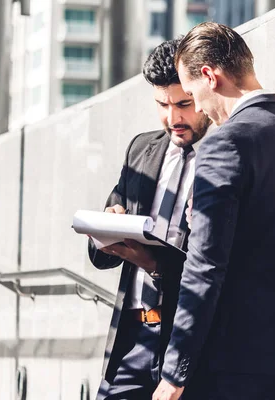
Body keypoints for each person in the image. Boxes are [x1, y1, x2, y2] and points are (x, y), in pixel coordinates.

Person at [152, 22, 275, 400]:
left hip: (227, 362)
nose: (200, 108)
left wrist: (174, 374)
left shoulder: (223, 146)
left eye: (191, 94)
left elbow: (204, 268)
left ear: (210, 76)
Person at [88, 38, 212, 400]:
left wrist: (155, 262)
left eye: (183, 104)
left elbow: (214, 262)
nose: (172, 118)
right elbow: (99, 256)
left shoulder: (222, 159)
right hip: (132, 338)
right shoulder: (141, 149)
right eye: (162, 104)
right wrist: (109, 225)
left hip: (185, 344)